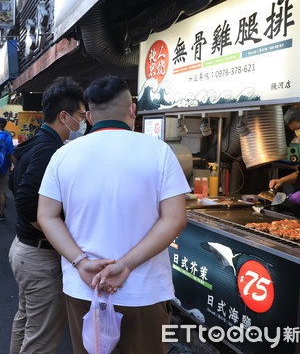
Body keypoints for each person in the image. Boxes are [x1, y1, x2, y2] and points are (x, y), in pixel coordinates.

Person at [37, 75, 190, 354]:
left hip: (85, 289)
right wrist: (127, 265)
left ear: (91, 117)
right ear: (132, 110)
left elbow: (47, 216)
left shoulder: (63, 155)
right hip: (146, 292)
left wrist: (81, 263)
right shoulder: (159, 152)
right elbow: (175, 218)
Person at [9, 76, 86, 354]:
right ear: (64, 116)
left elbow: (13, 185)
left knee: (27, 322)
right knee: (42, 340)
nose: (82, 122)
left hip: (26, 251)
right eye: (80, 115)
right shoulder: (49, 150)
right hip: (40, 258)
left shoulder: (34, 143)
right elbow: (27, 202)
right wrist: (56, 234)